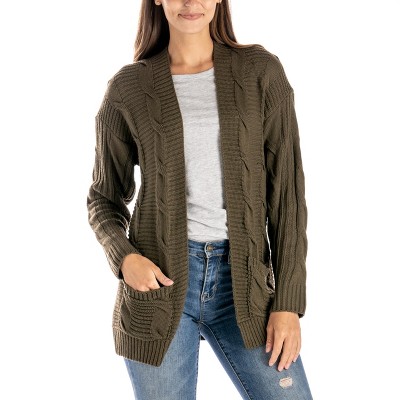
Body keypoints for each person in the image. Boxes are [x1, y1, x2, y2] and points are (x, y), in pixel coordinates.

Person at [87, 0, 313, 398]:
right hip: (158, 287)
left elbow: (287, 197)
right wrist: (124, 258)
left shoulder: (260, 71)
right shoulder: (128, 88)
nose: (191, 3)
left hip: (246, 287)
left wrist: (288, 303)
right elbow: (103, 198)